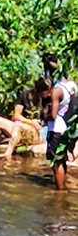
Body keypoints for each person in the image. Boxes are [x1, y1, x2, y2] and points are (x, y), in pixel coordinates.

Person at [0, 79, 50, 159]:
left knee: (17, 126)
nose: (50, 93)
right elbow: (16, 115)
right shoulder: (25, 95)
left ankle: (8, 153)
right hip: (23, 127)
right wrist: (30, 122)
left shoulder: (49, 100)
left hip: (37, 132)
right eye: (47, 91)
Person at [43, 53, 78, 190]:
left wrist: (45, 117)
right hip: (70, 126)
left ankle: (59, 191)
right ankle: (61, 187)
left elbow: (53, 114)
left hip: (57, 127)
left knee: (56, 161)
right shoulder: (72, 85)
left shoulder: (56, 90)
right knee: (61, 158)